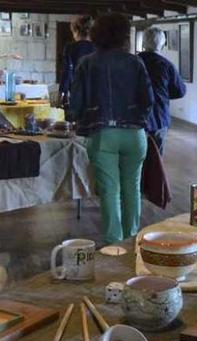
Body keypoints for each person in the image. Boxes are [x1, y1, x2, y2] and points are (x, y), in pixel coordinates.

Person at [69, 14, 154, 246]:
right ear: (124, 35)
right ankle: (132, 239)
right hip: (135, 136)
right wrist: (136, 119)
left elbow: (75, 104)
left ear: (97, 34)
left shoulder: (87, 63)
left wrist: (84, 119)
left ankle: (114, 244)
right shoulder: (135, 62)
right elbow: (149, 100)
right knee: (132, 189)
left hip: (102, 133)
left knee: (110, 192)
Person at [138, 26, 187, 154]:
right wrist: (163, 93)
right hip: (159, 117)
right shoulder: (166, 65)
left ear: (143, 43)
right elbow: (180, 90)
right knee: (156, 160)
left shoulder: (133, 62)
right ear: (162, 44)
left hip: (135, 117)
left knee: (136, 159)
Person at [59, 16, 95, 111]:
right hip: (94, 89)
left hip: (76, 88)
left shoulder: (70, 47)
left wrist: (62, 92)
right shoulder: (96, 47)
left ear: (76, 31)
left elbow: (66, 71)